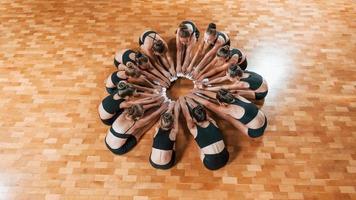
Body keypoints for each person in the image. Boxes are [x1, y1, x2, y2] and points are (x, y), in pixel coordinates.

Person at [188, 89, 267, 138]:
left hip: (256, 131)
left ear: (223, 103)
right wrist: (200, 91)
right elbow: (217, 96)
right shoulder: (236, 96)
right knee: (233, 114)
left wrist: (194, 97)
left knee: (227, 117)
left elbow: (208, 104)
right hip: (264, 120)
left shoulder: (229, 109)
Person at [179, 97, 229, 170]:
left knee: (199, 145)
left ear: (194, 119)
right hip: (226, 158)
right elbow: (206, 115)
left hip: (211, 165)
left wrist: (182, 101)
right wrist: (191, 100)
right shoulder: (213, 122)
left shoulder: (193, 129)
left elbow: (187, 116)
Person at [149, 101, 180, 169]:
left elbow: (162, 120)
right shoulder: (174, 132)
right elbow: (176, 118)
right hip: (167, 165)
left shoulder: (157, 129)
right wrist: (175, 108)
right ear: (172, 124)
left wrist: (170, 109)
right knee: (174, 143)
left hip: (153, 163)